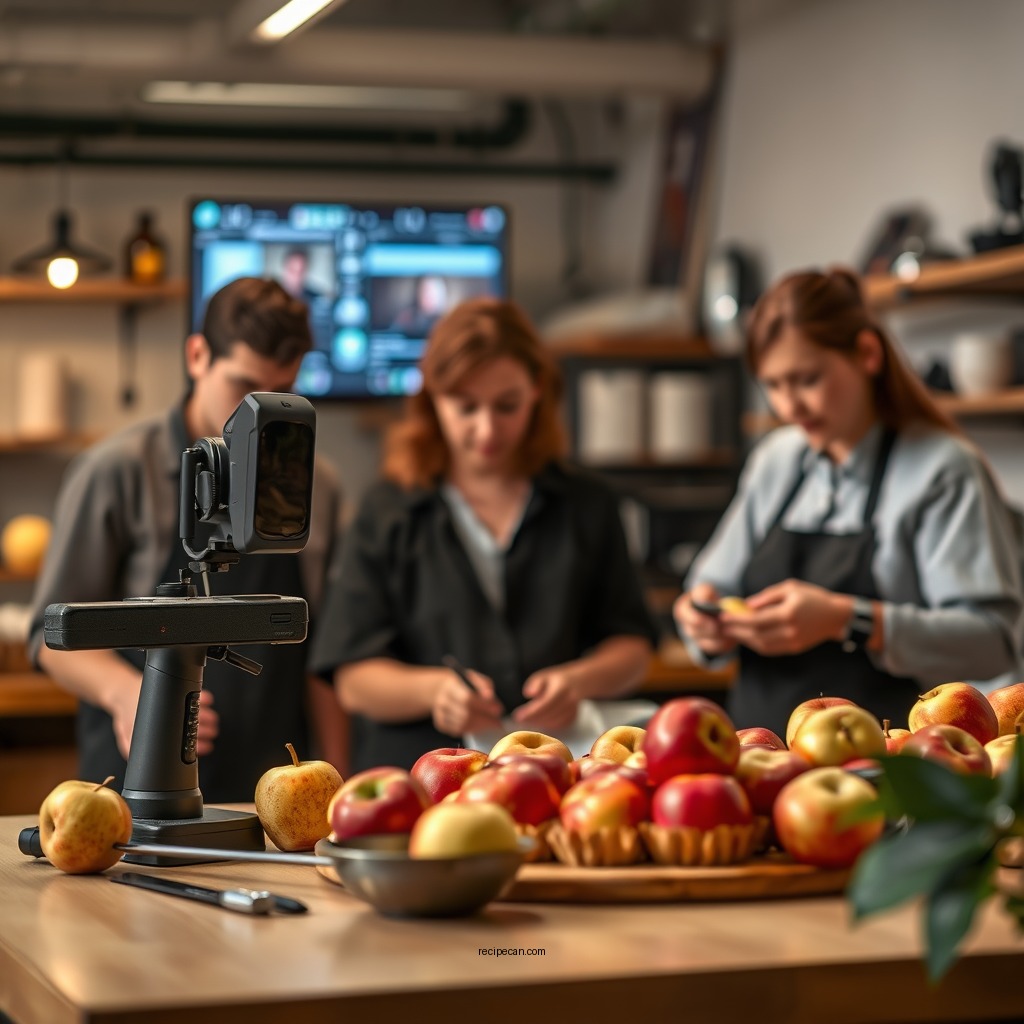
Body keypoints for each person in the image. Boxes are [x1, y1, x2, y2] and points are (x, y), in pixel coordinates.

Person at [28, 277, 348, 799]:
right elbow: (50, 635)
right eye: (242, 389)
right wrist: (125, 692)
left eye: (278, 394)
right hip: (134, 791)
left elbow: (324, 658)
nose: (257, 420)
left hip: (274, 797)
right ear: (197, 355)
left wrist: (340, 787)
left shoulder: (321, 487)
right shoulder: (116, 471)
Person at [674, 267, 1024, 739]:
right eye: (773, 386)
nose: (789, 407)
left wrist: (849, 620)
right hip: (758, 760)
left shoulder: (942, 469)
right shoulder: (775, 461)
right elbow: (710, 584)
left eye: (806, 379)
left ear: (867, 353)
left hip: (882, 766)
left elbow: (991, 643)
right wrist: (702, 619)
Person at [312, 297, 659, 771]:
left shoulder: (588, 503)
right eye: (465, 407)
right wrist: (435, 690)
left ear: (537, 391)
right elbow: (353, 678)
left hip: (560, 776)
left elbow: (633, 649)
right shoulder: (387, 509)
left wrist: (580, 680)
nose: (487, 429)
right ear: (432, 398)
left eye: (506, 405)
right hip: (419, 783)